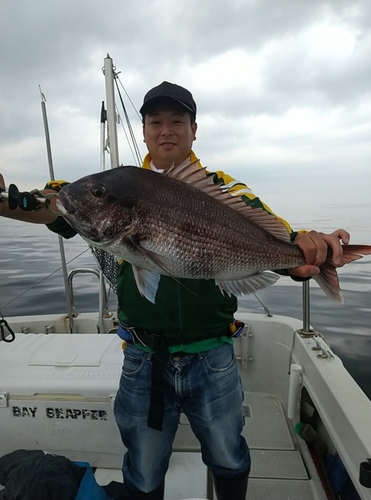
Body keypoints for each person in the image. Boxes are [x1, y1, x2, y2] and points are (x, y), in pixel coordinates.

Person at [0, 81, 350, 500]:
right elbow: (51, 201)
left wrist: (312, 247)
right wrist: (5, 200)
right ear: (145, 130)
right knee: (144, 466)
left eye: (177, 121)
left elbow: (287, 242)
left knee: (228, 456)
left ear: (194, 129)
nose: (166, 130)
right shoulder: (123, 185)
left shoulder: (225, 190)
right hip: (143, 359)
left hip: (213, 355)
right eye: (155, 121)